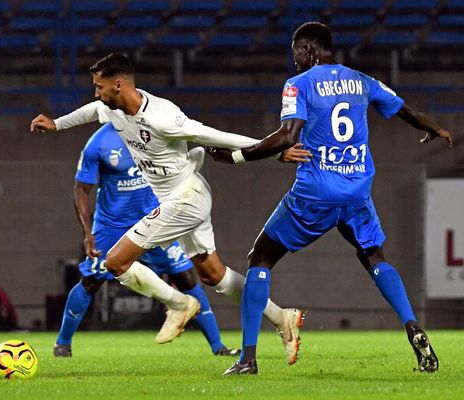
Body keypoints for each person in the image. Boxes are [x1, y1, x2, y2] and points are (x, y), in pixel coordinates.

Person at [31, 53, 311, 364]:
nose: (96, 93)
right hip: (178, 198)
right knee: (213, 275)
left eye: (100, 87)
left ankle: (179, 304)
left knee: (116, 262)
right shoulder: (114, 109)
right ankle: (281, 317)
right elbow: (93, 110)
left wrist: (274, 153)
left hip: (187, 198)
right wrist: (56, 124)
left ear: (118, 85)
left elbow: (217, 136)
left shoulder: (163, 117)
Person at [206, 22, 453, 375]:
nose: (294, 63)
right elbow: (405, 110)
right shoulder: (361, 80)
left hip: (314, 194)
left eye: (295, 55)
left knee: (259, 259)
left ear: (307, 50)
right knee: (374, 257)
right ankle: (413, 326)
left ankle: (248, 358)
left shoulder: (298, 85)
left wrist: (235, 156)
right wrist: (436, 128)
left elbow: (286, 136)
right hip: (356, 192)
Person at [54, 122, 239, 357]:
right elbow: (81, 189)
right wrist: (87, 233)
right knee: (92, 281)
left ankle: (218, 347)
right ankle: (63, 343)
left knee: (186, 277)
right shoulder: (98, 143)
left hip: (154, 220)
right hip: (111, 226)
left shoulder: (154, 128)